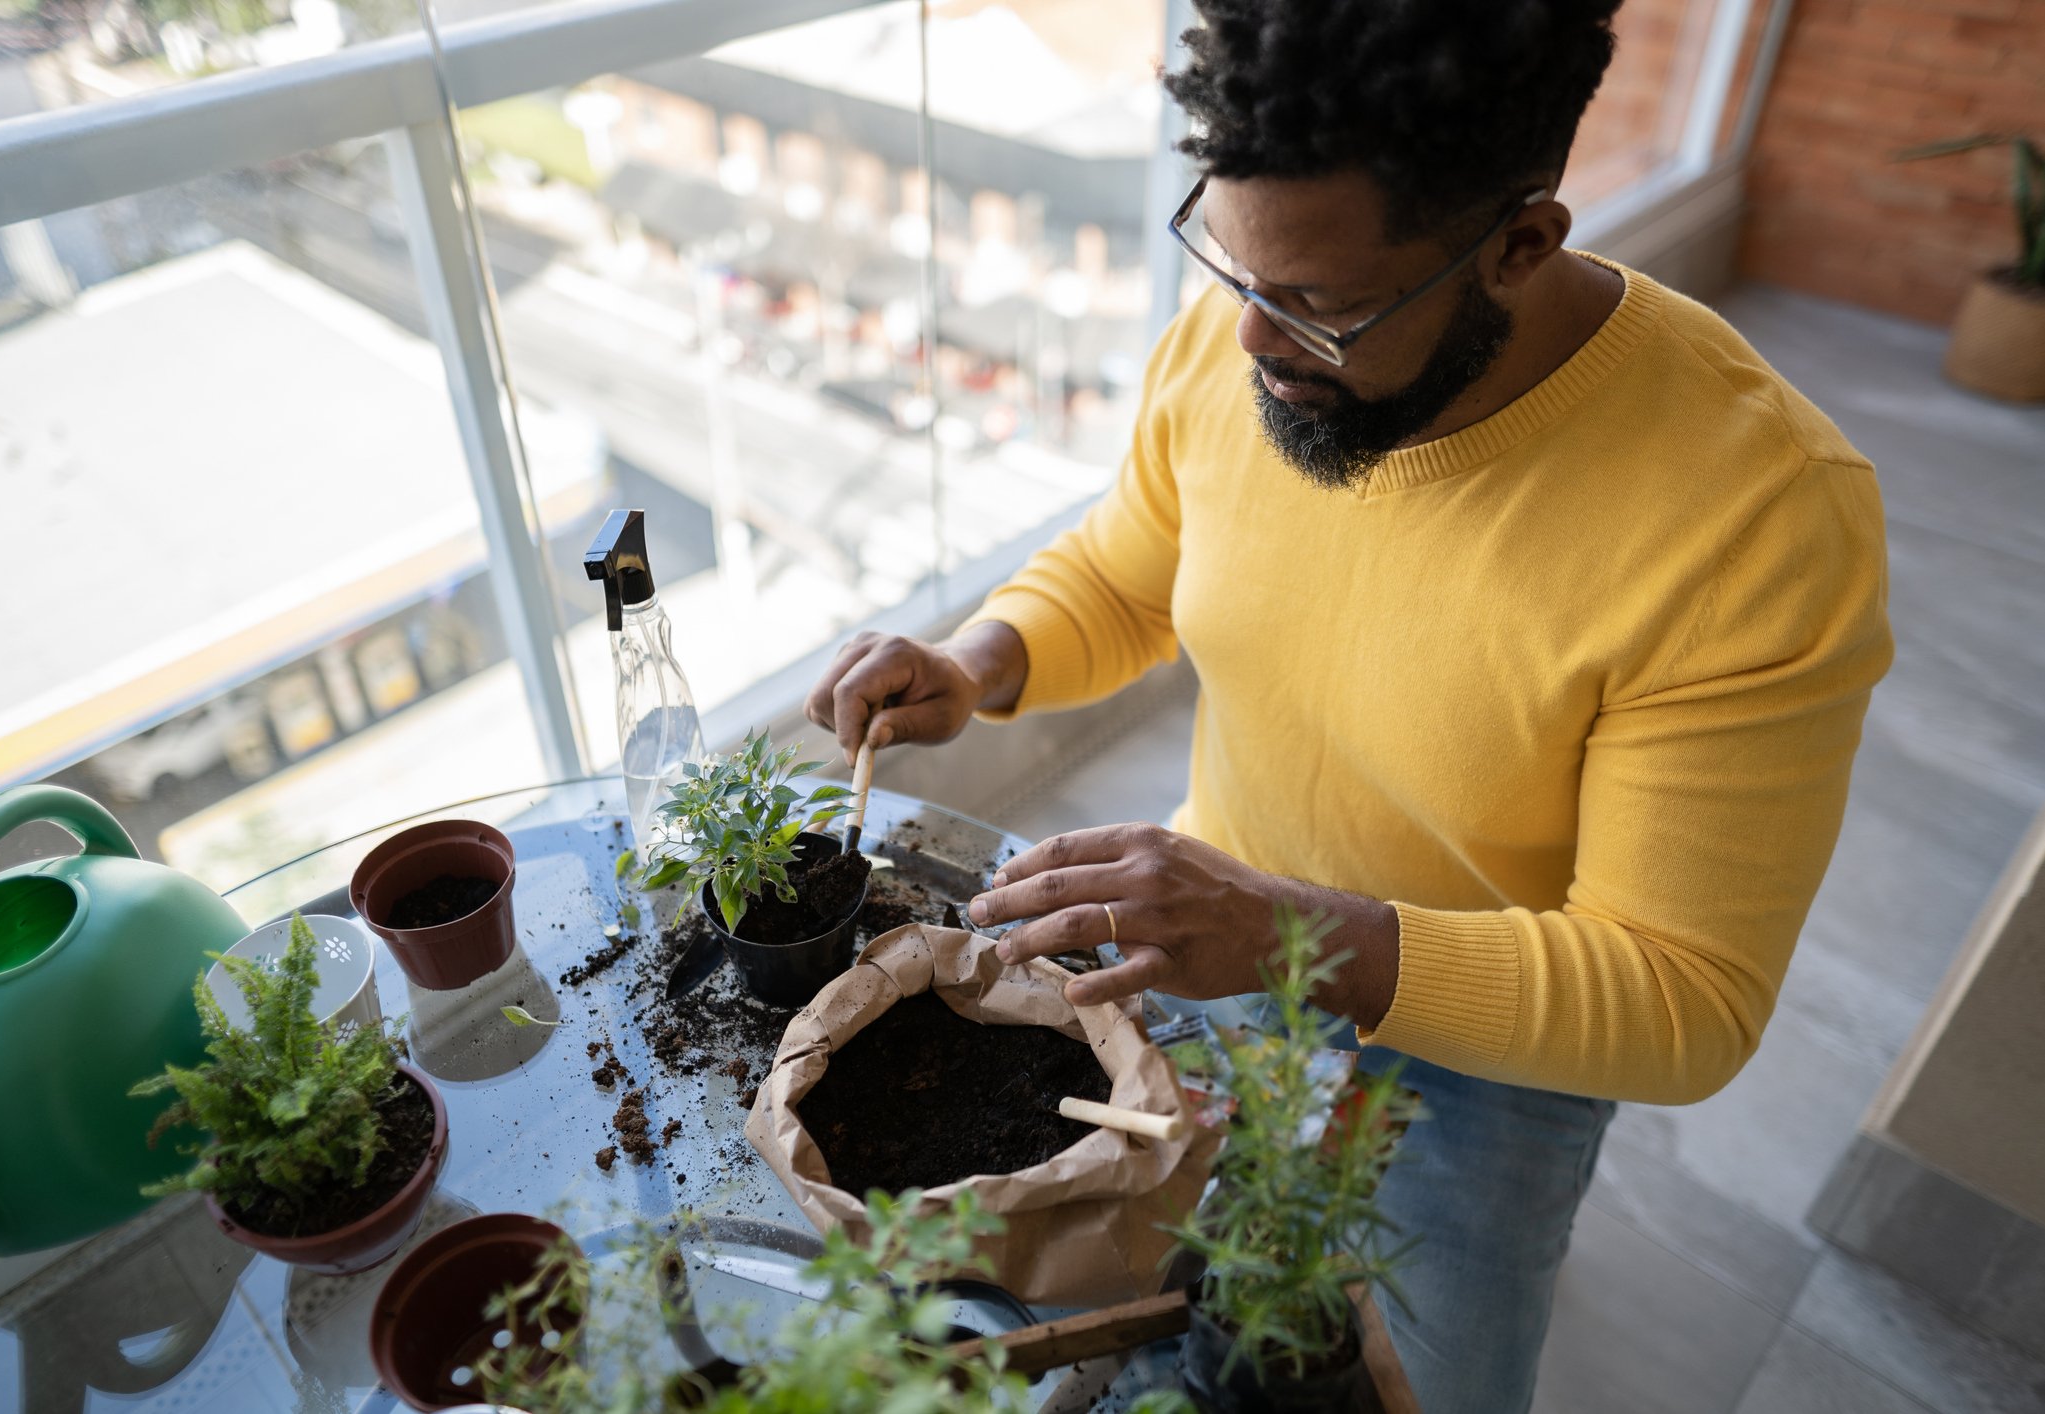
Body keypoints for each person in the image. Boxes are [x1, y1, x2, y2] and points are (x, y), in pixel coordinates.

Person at [806, 2, 1892, 1408]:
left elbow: (1680, 993)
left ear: (1520, 242)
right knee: (1161, 1285)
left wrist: (1282, 929)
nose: (1246, 329)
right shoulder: (1247, 324)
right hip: (1209, 944)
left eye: (1320, 302)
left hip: (1491, 1047)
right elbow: (1136, 567)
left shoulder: (1758, 516)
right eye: (1229, 257)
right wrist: (981, 659)